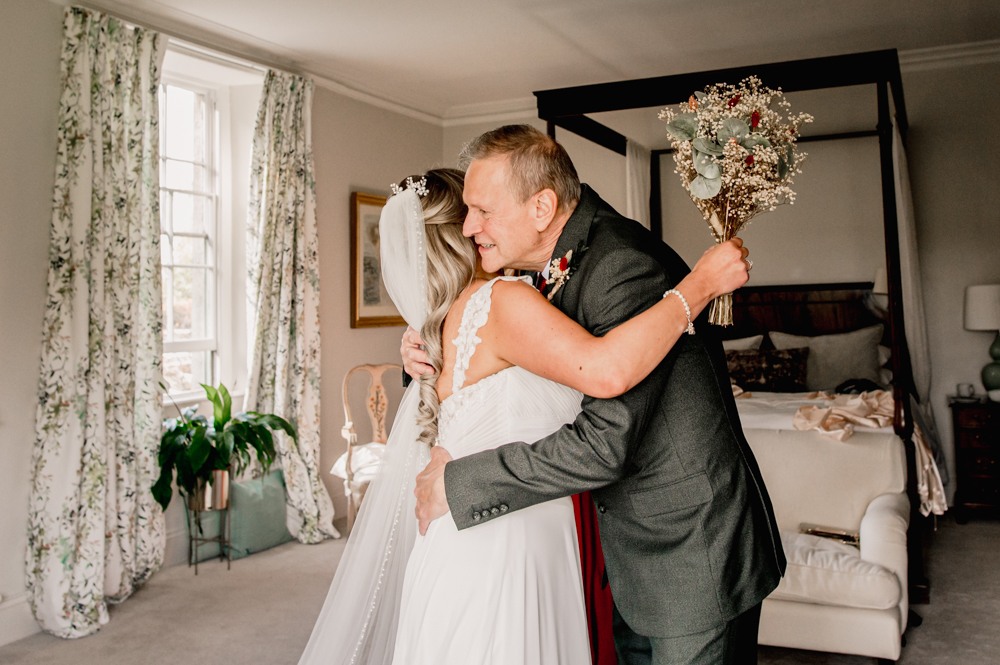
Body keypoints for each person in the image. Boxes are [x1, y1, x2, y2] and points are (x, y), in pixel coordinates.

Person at [298, 167, 751, 665]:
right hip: (505, 540)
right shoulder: (502, 301)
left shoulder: (449, 316)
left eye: (484, 213)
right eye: (470, 215)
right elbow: (605, 371)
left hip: (472, 534)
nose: (477, 227)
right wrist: (700, 286)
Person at [410, 126, 786, 665]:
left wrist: (461, 484)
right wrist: (422, 354)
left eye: (482, 211)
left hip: (690, 552)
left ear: (542, 207)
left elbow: (605, 441)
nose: (470, 228)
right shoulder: (535, 269)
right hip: (629, 548)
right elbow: (498, 368)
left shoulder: (619, 266)